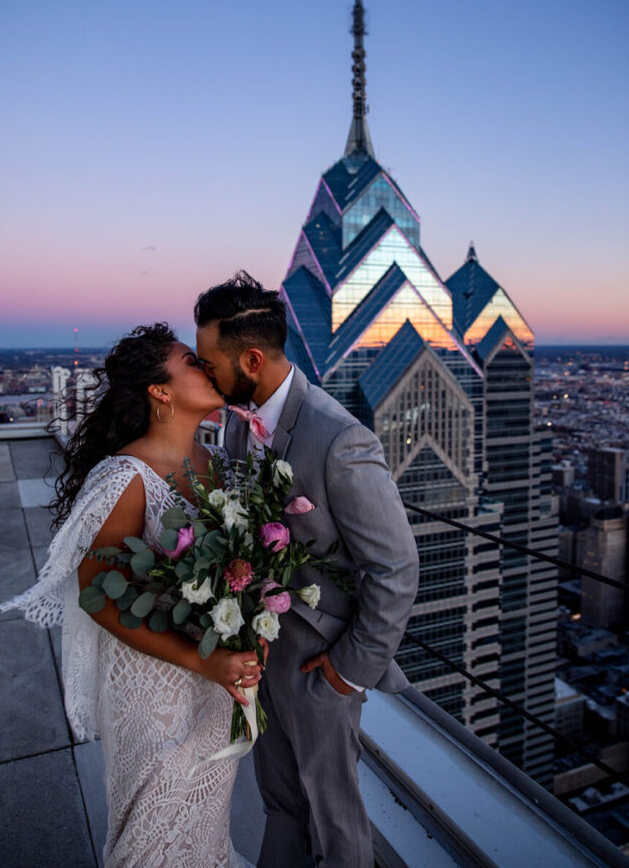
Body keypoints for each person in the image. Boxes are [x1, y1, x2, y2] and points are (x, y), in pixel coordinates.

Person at [1, 323, 262, 868]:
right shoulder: (125, 477)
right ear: (159, 391)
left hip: (215, 685)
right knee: (149, 834)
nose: (207, 366)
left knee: (205, 827)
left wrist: (251, 633)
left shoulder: (220, 466)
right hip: (154, 688)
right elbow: (98, 596)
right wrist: (201, 660)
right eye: (191, 361)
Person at [195, 273, 420, 868]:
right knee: (281, 804)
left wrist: (348, 673)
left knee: (335, 822)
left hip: (320, 668)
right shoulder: (238, 422)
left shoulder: (339, 436)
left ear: (251, 359)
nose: (205, 375)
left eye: (210, 364)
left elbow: (396, 567)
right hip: (261, 659)